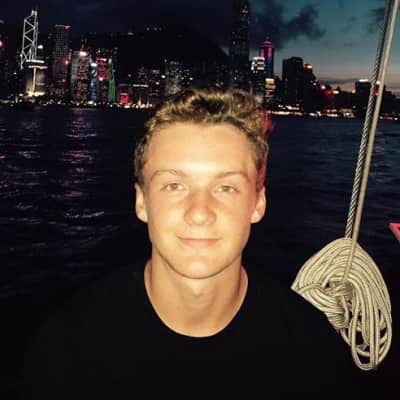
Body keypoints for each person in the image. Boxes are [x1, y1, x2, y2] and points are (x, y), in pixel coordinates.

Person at [21, 88, 359, 399]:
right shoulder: (66, 351)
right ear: (141, 201)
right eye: (174, 186)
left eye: (226, 188)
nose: (199, 213)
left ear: (258, 203)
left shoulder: (314, 354)